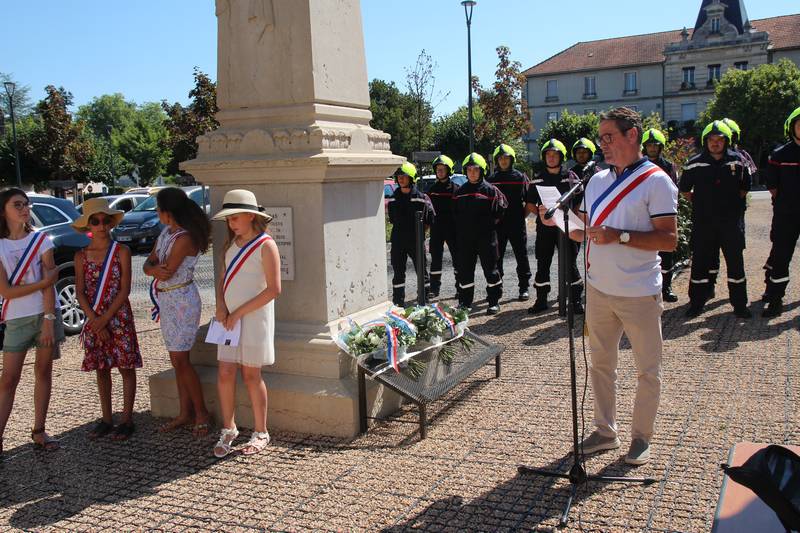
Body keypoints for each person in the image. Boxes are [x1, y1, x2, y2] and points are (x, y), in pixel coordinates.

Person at [540, 107, 678, 465]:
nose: (602, 145)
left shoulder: (657, 181)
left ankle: (641, 437)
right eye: (601, 138)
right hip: (598, 290)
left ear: (632, 135)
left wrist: (622, 235)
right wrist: (556, 216)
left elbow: (668, 239)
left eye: (608, 137)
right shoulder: (597, 180)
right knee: (601, 364)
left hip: (639, 292)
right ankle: (605, 431)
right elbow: (584, 227)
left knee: (648, 369)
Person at [211, 189, 282, 458]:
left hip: (253, 317)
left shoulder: (266, 245)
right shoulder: (230, 245)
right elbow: (222, 279)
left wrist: (238, 312)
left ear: (251, 216)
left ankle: (261, 431)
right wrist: (220, 305)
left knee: (251, 375)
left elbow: (273, 290)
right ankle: (229, 427)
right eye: (228, 220)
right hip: (229, 318)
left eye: (235, 218)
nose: (231, 224)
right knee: (225, 372)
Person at [0, 188, 64, 456]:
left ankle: (39, 430)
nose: (25, 209)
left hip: (45, 314)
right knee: (8, 379)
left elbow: (50, 288)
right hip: (16, 318)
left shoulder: (42, 241)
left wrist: (49, 320)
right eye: (18, 205)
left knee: (43, 372)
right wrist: (42, 282)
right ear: (3, 210)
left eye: (26, 204)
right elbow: (6, 291)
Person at [144, 188, 212, 436]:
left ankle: (201, 411)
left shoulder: (184, 238)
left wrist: (153, 268)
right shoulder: (166, 233)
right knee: (176, 360)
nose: (156, 213)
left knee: (182, 360)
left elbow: (167, 270)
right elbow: (148, 264)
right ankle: (185, 412)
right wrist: (152, 269)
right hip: (168, 299)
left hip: (182, 299)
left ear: (167, 211)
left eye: (157, 208)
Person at [73, 198, 141, 441]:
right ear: (88, 225)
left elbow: (124, 289)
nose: (101, 226)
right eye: (95, 221)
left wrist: (105, 319)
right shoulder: (81, 256)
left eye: (105, 221)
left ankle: (126, 419)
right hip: (95, 319)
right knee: (101, 368)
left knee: (125, 366)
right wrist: (94, 320)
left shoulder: (122, 251)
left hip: (118, 316)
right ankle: (106, 418)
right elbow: (79, 291)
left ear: (111, 223)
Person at [679, 120, 752, 318]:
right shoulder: (694, 163)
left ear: (726, 141)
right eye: (711, 140)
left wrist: (730, 204)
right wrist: (701, 202)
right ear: (705, 141)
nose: (715, 143)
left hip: (730, 223)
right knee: (700, 265)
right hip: (704, 224)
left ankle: (740, 305)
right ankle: (696, 303)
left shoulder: (738, 161)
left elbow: (746, 186)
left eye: (720, 140)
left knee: (736, 265)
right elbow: (684, 189)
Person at [526, 139, 584, 314]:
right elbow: (529, 204)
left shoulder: (570, 177)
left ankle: (575, 300)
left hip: (567, 227)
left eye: (555, 154)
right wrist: (544, 217)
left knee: (570, 263)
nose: (551, 158)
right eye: (548, 155)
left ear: (561, 157)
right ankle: (541, 300)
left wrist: (571, 217)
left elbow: (579, 201)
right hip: (545, 228)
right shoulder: (537, 178)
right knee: (543, 262)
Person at [453, 153, 507, 315]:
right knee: (465, 271)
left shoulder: (491, 190)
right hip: (465, 239)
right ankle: (465, 303)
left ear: (481, 171)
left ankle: (494, 301)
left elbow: (501, 210)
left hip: (486, 237)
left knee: (491, 270)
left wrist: (488, 226)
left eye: (475, 170)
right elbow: (455, 214)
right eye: (469, 170)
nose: (472, 173)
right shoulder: (460, 192)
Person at [762, 106, 800, 317]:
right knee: (781, 256)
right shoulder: (780, 154)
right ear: (792, 128)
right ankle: (775, 298)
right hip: (787, 214)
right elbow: (772, 185)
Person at [487, 144, 531, 300]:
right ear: (497, 160)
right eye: (500, 158)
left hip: (517, 225)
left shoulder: (520, 178)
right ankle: (497, 288)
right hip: (498, 226)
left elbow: (529, 202)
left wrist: (520, 217)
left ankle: (524, 287)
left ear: (512, 159)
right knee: (496, 258)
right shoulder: (491, 180)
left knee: (522, 256)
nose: (503, 161)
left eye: (506, 158)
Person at [387, 162, 435, 306]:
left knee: (422, 272)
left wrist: (419, 236)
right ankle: (398, 303)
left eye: (404, 176)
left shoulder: (421, 198)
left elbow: (429, 220)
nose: (401, 179)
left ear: (411, 178)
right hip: (398, 241)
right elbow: (392, 220)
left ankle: (424, 302)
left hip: (416, 241)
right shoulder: (393, 199)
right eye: (399, 176)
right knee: (398, 274)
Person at [642, 128, 679, 303]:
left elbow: (674, 189)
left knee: (666, 252)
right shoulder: (637, 166)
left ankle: (666, 288)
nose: (652, 149)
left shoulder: (669, 166)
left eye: (655, 145)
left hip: (663, 212)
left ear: (661, 147)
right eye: (649, 145)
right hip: (644, 214)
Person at [426, 155, 459, 300]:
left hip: (453, 229)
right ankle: (434, 288)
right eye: (438, 169)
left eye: (442, 169)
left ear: (448, 170)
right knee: (435, 259)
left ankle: (460, 287)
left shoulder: (456, 189)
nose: (439, 172)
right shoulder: (432, 190)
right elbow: (426, 210)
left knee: (458, 259)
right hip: (436, 229)